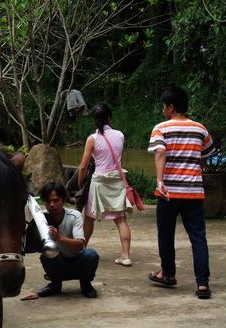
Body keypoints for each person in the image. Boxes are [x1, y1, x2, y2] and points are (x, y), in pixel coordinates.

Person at [147, 86, 215, 299]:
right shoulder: (200, 129)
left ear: (171, 106)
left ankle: (168, 274)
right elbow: (205, 155)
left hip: (168, 192)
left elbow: (160, 152)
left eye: (164, 107)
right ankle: (202, 284)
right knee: (198, 237)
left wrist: (160, 182)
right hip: (194, 192)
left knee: (166, 235)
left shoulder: (161, 128)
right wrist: (194, 169)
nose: (163, 111)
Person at [77, 104, 132, 266]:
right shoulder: (120, 135)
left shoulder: (92, 139)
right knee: (121, 219)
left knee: (89, 219)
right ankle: (126, 255)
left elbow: (83, 166)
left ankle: (81, 251)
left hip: (99, 182)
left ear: (95, 120)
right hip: (116, 180)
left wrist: (80, 183)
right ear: (109, 117)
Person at [36, 182, 100, 298]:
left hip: (77, 260)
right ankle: (55, 284)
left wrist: (59, 238)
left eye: (56, 200)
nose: (51, 205)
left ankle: (86, 284)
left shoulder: (74, 216)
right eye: (47, 201)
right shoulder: (40, 218)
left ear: (64, 200)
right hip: (57, 260)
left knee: (91, 254)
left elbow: (80, 245)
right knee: (46, 255)